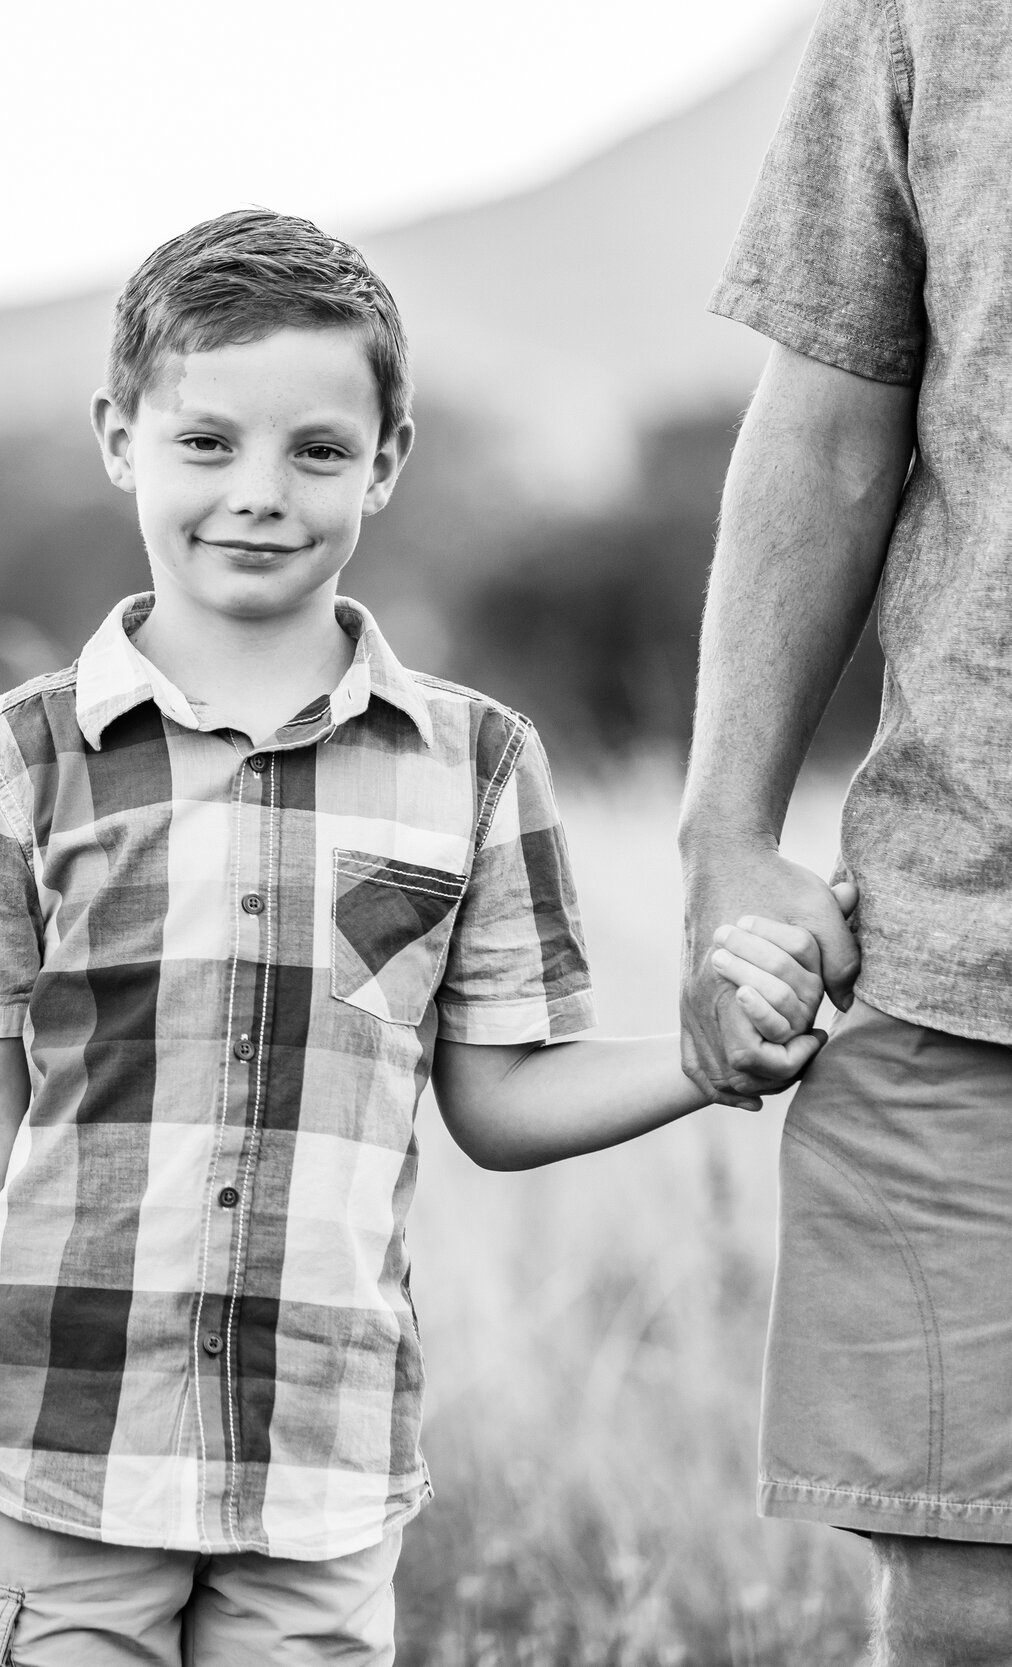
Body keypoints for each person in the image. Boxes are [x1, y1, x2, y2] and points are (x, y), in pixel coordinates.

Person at [0, 210, 830, 1666]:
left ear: (389, 459)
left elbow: (499, 1094)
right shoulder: (9, 765)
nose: (260, 496)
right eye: (206, 444)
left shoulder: (473, 765)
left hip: (323, 1479)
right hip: (52, 1462)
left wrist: (702, 1058)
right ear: (121, 437)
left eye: (318, 451)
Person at [685, 0, 1012, 1655]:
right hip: (970, 970)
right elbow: (826, 425)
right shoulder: (926, 17)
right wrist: (725, 833)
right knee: (969, 1610)